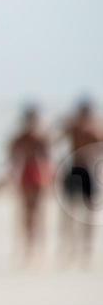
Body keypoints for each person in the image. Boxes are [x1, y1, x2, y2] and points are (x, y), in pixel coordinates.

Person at [0, 104, 52, 266]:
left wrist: (50, 179)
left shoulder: (40, 138)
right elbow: (11, 161)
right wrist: (7, 179)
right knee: (26, 212)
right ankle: (27, 247)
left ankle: (37, 247)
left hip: (37, 175)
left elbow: (47, 160)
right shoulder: (19, 138)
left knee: (37, 212)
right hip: (26, 175)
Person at [57, 97, 102, 266]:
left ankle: (85, 250)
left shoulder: (94, 129)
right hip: (74, 170)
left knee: (88, 214)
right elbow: (56, 138)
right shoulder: (73, 127)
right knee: (69, 212)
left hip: (88, 172)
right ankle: (70, 248)